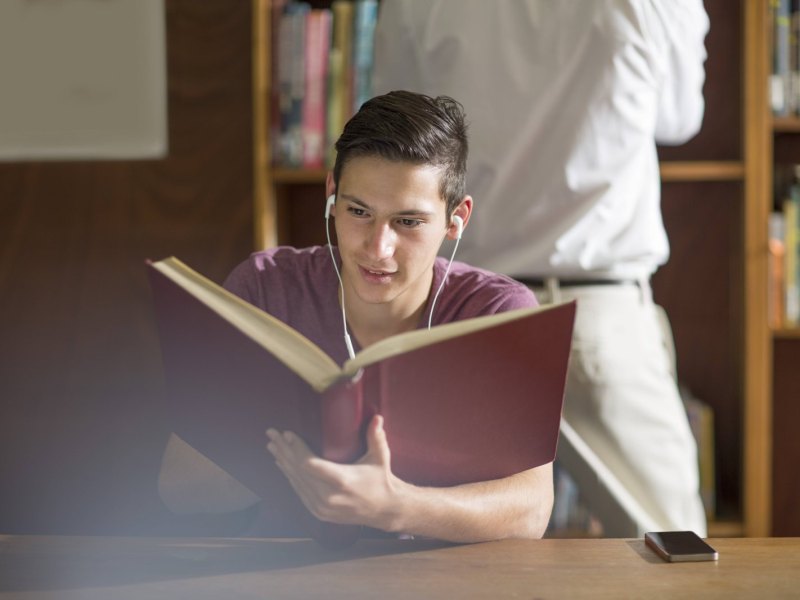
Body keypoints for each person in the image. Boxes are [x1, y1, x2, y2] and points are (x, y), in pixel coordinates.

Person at [371, 0, 709, 535]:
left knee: (458, 555)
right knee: (675, 558)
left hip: (465, 313)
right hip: (597, 313)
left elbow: (389, 134)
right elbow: (680, 117)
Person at [158, 90, 554, 543]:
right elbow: (178, 489)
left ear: (455, 219)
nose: (377, 248)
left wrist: (396, 508)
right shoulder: (266, 289)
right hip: (287, 574)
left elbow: (531, 512)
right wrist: (295, 460)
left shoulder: (498, 313)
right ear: (332, 194)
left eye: (408, 222)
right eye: (358, 211)